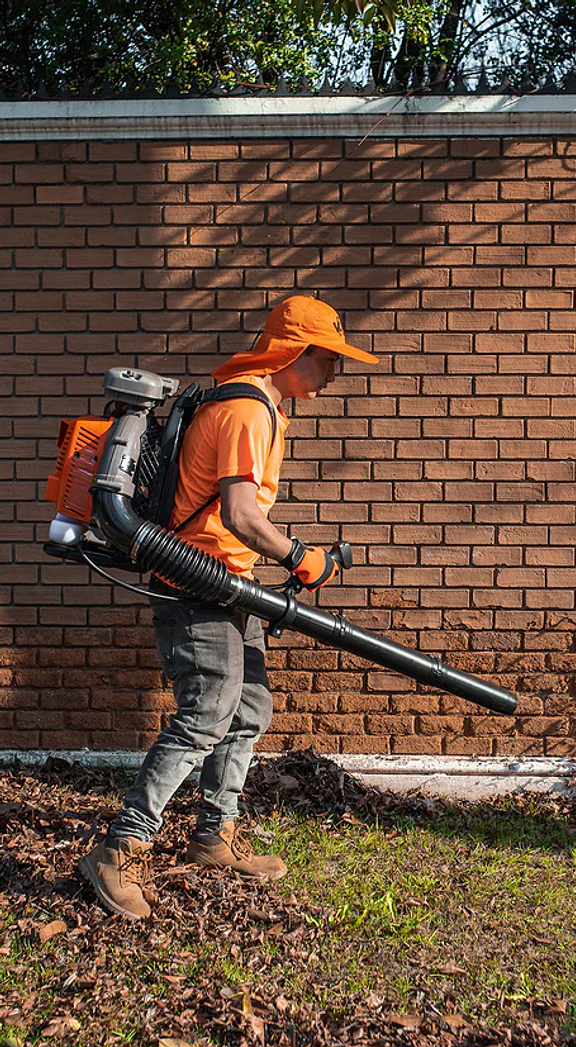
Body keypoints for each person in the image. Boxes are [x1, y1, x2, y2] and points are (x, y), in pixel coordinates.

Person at [79, 295, 378, 921]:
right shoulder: (246, 409)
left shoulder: (249, 401)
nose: (332, 377)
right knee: (207, 713)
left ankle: (214, 837)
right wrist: (302, 557)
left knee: (247, 708)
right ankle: (117, 848)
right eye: (330, 363)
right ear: (295, 354)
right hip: (198, 582)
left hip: (227, 581)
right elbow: (243, 514)